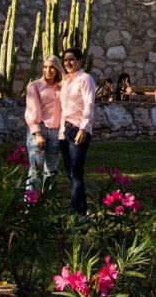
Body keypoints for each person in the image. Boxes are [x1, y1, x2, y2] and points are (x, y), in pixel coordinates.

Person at [58, 47, 96, 215]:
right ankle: (82, 210)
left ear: (80, 61)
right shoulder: (65, 81)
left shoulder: (85, 79)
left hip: (78, 129)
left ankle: (75, 212)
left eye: (72, 59)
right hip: (64, 130)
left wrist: (83, 128)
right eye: (65, 60)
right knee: (71, 174)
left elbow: (89, 104)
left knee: (76, 172)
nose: (68, 62)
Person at [24, 55, 63, 192]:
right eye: (45, 67)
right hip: (39, 130)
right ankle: (29, 204)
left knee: (51, 170)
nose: (48, 70)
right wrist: (38, 134)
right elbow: (32, 110)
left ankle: (48, 203)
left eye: (52, 67)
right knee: (36, 168)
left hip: (57, 131)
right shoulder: (34, 86)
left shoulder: (62, 88)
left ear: (58, 69)